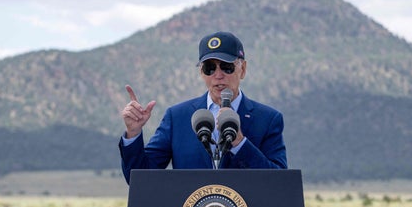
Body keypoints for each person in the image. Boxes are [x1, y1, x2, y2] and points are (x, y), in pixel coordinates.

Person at [119, 31, 287, 183]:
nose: (218, 75)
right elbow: (140, 177)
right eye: (210, 68)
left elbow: (279, 181)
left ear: (243, 69)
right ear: (201, 73)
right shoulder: (178, 117)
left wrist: (240, 144)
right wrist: (133, 133)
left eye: (227, 67)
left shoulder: (268, 119)